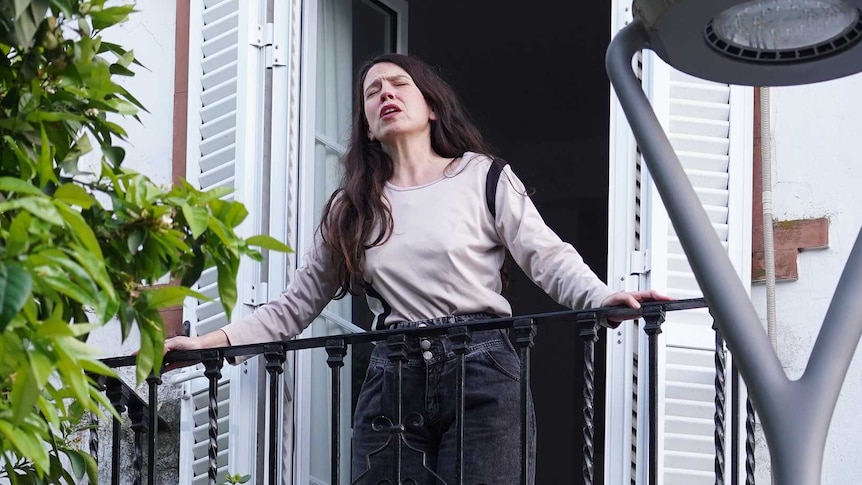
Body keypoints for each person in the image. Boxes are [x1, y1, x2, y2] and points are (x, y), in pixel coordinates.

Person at [165, 52, 668, 484]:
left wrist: (600, 298)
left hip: (484, 370)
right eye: (372, 91)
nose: (386, 93)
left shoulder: (483, 177)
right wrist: (208, 345)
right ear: (366, 124)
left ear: (430, 106)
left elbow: (548, 257)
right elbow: (293, 307)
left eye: (399, 84)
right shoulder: (353, 206)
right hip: (392, 379)